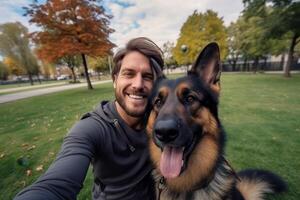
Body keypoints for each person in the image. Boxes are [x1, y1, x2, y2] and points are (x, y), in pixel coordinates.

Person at [14, 37, 164, 200]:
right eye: (129, 74)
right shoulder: (92, 127)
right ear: (114, 80)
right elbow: (54, 187)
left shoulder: (159, 117)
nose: (138, 84)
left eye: (148, 76)